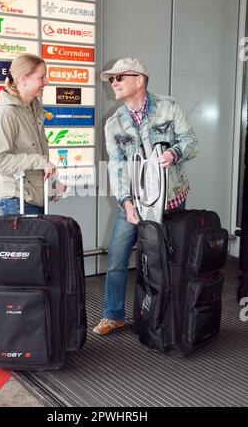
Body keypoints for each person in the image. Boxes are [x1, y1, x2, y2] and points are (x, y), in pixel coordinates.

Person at [93, 57, 199, 335]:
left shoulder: (168, 107)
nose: (113, 83)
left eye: (119, 77)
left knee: (168, 259)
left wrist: (174, 153)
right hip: (133, 202)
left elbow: (191, 142)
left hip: (171, 200)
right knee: (117, 257)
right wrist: (126, 203)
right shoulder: (113, 123)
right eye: (111, 79)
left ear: (139, 79)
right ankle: (112, 314)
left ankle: (165, 313)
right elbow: (116, 168)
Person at [0, 53, 66, 215]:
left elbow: (33, 156)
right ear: (24, 79)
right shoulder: (7, 113)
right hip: (17, 201)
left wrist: (53, 182)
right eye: (41, 77)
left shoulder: (34, 110)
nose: (47, 82)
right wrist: (40, 161)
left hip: (35, 198)